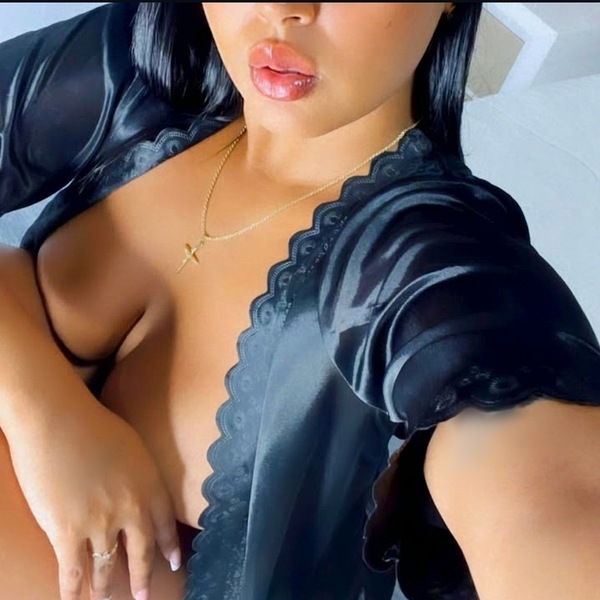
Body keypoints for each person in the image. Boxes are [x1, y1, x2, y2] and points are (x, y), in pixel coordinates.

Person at [0, 3, 599, 600]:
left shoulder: (436, 275)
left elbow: (546, 493)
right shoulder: (144, 68)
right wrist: (47, 414)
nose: (281, 9)